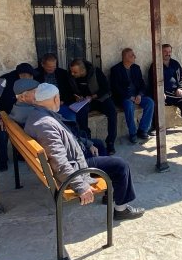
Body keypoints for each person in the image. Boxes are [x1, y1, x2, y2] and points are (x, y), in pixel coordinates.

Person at [21, 83, 144, 220]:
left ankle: (110, 193)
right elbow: (59, 162)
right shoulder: (45, 125)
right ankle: (121, 209)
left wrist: (86, 144)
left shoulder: (37, 115)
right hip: (76, 168)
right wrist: (81, 187)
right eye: (58, 98)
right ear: (55, 99)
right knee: (120, 165)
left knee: (99, 146)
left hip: (74, 159)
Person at [11, 78, 107, 158]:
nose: (38, 94)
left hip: (52, 151)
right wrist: (87, 143)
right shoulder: (34, 114)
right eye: (35, 92)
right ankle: (100, 175)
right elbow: (63, 139)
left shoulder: (19, 109)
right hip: (70, 154)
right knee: (100, 145)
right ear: (22, 97)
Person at [0, 62, 35, 171]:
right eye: (30, 76)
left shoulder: (29, 83)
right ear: (22, 75)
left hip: (19, 114)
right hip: (2, 115)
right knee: (2, 131)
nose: (32, 78)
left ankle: (22, 155)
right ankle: (3, 160)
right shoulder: (4, 81)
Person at [69, 58, 118, 155]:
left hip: (100, 98)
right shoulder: (71, 75)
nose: (72, 74)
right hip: (84, 101)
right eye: (72, 71)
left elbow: (106, 88)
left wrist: (93, 96)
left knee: (112, 112)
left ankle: (110, 142)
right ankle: (88, 141)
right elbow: (70, 90)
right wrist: (76, 96)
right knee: (81, 113)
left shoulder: (95, 71)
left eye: (75, 72)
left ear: (83, 71)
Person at [150, 44, 182, 134]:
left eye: (169, 51)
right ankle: (156, 128)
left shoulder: (175, 63)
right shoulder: (155, 65)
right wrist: (160, 92)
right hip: (163, 94)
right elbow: (152, 81)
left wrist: (180, 88)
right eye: (165, 51)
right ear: (160, 52)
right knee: (156, 101)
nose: (168, 54)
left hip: (176, 92)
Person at [110, 48, 155, 144]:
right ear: (125, 57)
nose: (135, 57)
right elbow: (115, 88)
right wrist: (129, 97)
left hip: (137, 95)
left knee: (150, 102)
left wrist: (139, 95)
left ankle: (143, 130)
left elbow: (142, 84)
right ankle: (133, 133)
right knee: (128, 105)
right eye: (132, 55)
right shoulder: (115, 70)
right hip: (125, 97)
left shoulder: (136, 68)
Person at [35, 52, 76, 124]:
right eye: (49, 67)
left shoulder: (62, 73)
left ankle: (72, 134)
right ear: (42, 64)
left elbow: (69, 91)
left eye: (54, 66)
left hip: (61, 104)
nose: (52, 69)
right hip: (44, 107)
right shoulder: (36, 74)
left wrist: (63, 101)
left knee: (71, 118)